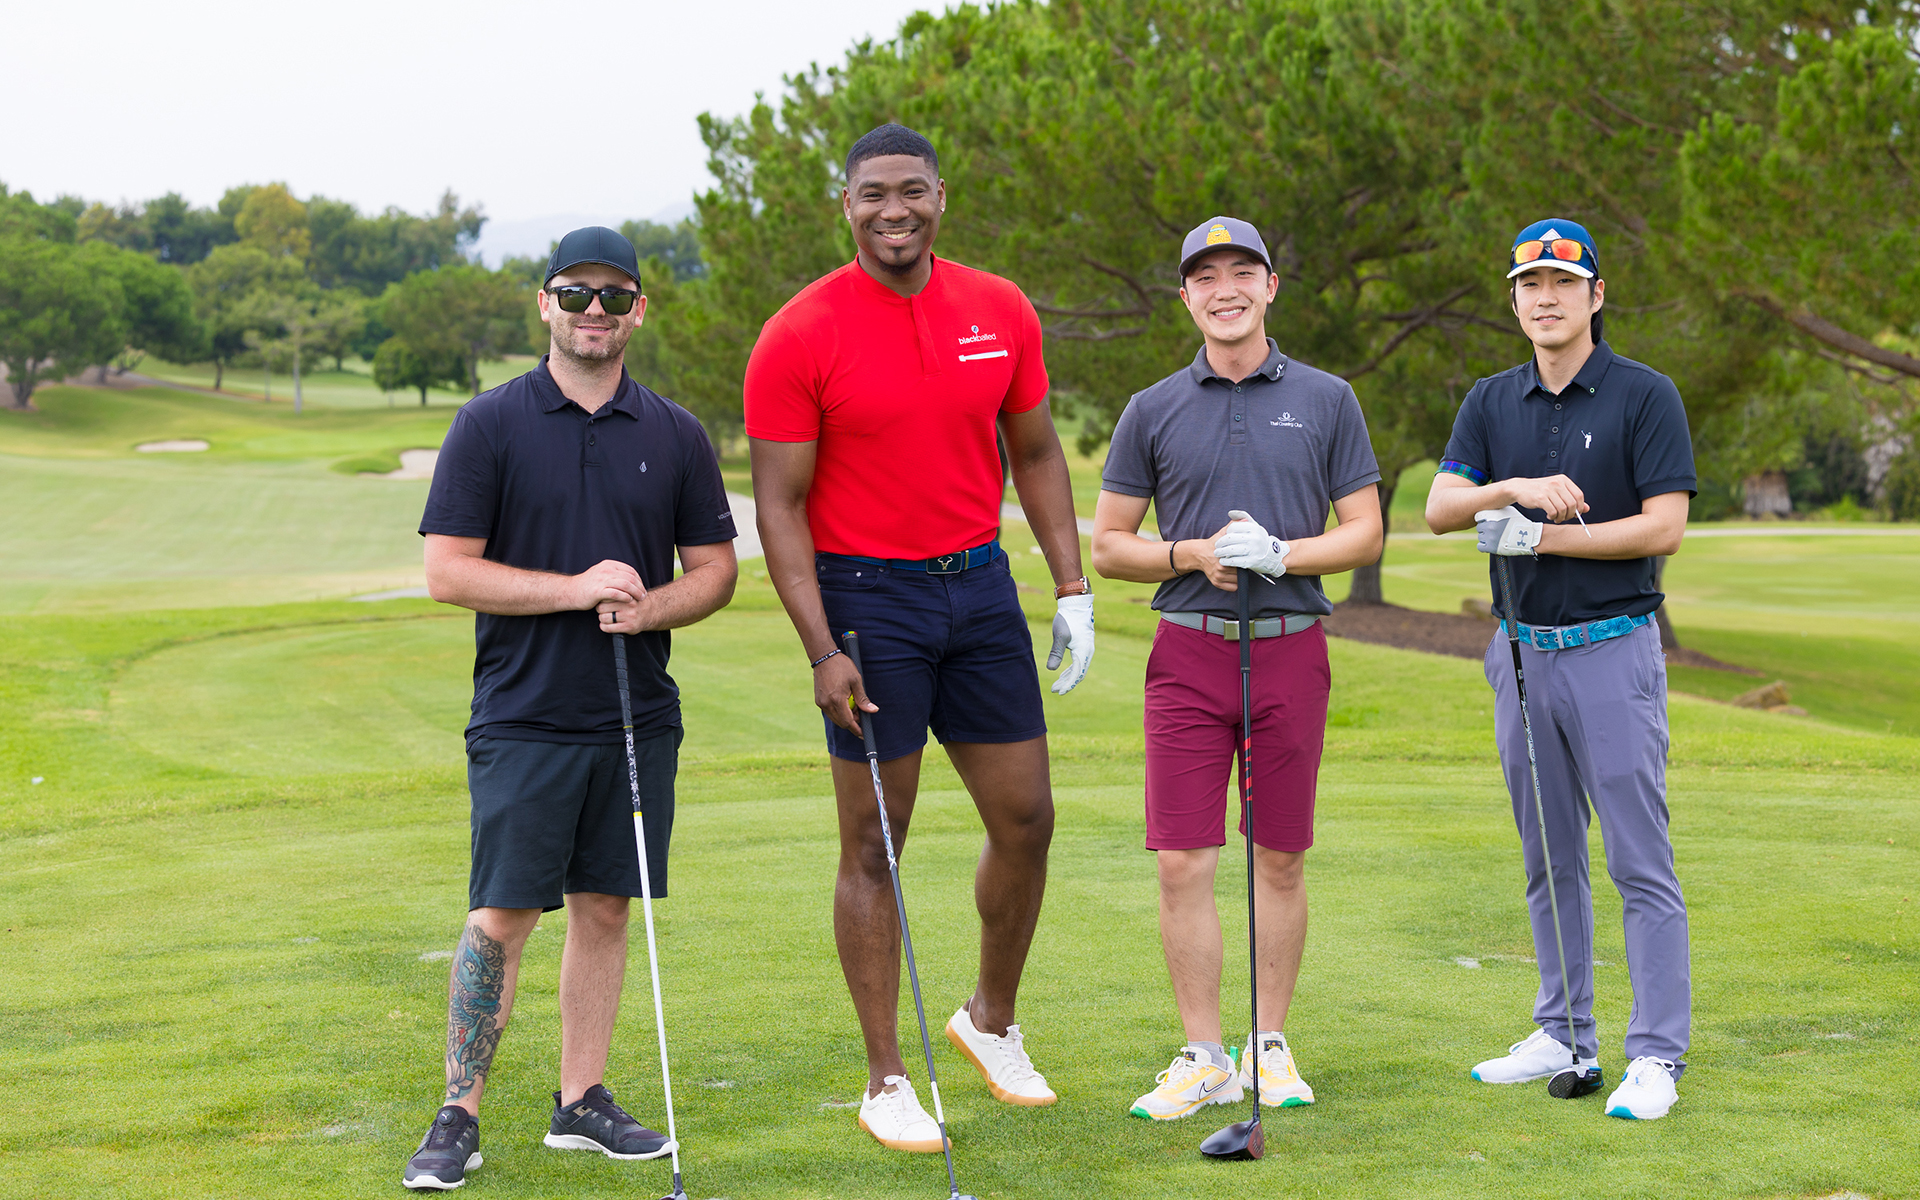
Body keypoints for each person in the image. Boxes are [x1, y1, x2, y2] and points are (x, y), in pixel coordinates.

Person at [745, 123, 1094, 1153]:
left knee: (1027, 818)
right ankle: (886, 1077)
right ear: (845, 205)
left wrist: (1070, 586)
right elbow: (779, 508)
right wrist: (822, 649)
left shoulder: (1000, 308)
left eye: (910, 191)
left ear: (941, 197)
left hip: (979, 590)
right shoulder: (799, 332)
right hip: (867, 602)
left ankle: (989, 1020)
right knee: (875, 842)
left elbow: (1036, 452)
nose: (892, 211)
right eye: (872, 195)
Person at [402, 226, 738, 1189]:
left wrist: (650, 609)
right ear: (545, 304)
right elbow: (447, 572)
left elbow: (715, 572)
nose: (596, 311)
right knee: (502, 914)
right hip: (524, 714)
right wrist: (576, 590)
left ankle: (580, 1101)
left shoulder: (675, 432)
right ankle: (459, 1113)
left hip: (637, 716)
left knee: (605, 907)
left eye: (615, 296)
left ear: (639, 311)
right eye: (577, 293)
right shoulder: (490, 423)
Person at [1091, 217, 1383, 1123]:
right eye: (1207, 276)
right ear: (1186, 295)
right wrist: (1188, 553)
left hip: (1291, 648)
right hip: (1188, 653)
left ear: (1270, 286)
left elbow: (1364, 532)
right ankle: (1205, 1054)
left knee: (1280, 857)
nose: (1226, 290)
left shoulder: (1328, 398)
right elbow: (1110, 545)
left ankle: (1269, 1045)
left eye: (1242, 272)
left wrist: (1283, 554)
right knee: (1183, 861)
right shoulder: (1151, 408)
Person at [1425, 218, 1694, 1121]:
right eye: (1530, 285)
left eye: (1563, 284)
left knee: (1637, 859)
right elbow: (1439, 507)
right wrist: (1510, 491)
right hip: (1521, 655)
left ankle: (1654, 1053)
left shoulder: (1644, 394)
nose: (1546, 299)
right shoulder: (1491, 400)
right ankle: (1565, 1027)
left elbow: (1663, 526)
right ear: (1514, 302)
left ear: (1595, 296)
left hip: (1613, 648)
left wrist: (1544, 536)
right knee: (1548, 855)